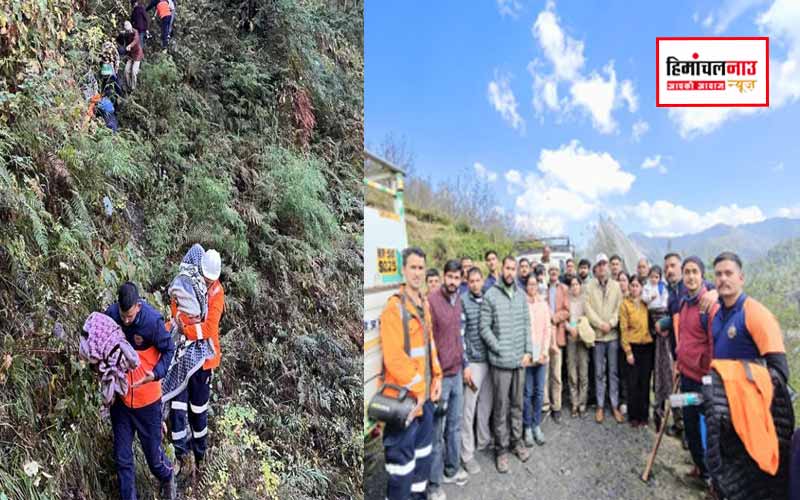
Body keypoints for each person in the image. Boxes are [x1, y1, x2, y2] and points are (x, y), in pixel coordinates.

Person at [709, 251, 791, 496]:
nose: (723, 279)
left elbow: (779, 372)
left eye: (729, 273)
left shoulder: (756, 314)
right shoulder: (717, 314)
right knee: (731, 474)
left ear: (741, 278)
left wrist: (735, 377)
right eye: (719, 274)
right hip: (726, 411)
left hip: (753, 413)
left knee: (753, 480)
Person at [379, 247, 443, 500]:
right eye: (413, 267)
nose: (417, 272)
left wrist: (437, 377)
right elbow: (394, 359)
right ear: (403, 270)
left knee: (423, 458)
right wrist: (418, 391)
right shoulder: (394, 308)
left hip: (425, 401)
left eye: (420, 268)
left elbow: (430, 347)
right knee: (401, 468)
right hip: (404, 403)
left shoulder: (424, 304)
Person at [105, 282, 176, 500]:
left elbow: (169, 349)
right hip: (122, 401)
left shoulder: (152, 322)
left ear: (138, 305)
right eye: (123, 316)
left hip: (148, 402)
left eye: (130, 316)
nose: (126, 320)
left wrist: (155, 374)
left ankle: (168, 476)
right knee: (123, 458)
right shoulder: (111, 315)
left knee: (154, 459)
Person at [168, 249, 224, 478]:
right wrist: (180, 322)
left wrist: (187, 330)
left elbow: (209, 328)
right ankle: (181, 454)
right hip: (183, 356)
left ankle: (200, 457)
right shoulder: (190, 280)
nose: (207, 281)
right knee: (177, 405)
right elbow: (176, 305)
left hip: (203, 361)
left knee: (198, 410)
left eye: (210, 279)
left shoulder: (216, 293)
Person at [655, 253, 718, 438]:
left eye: (673, 266)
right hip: (685, 368)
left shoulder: (706, 299)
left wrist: (715, 293)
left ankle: (703, 462)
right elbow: (679, 328)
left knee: (704, 421)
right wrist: (677, 360)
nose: (669, 270)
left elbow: (721, 290)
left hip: (703, 375)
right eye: (666, 267)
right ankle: (693, 453)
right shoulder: (677, 297)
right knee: (690, 419)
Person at [480, 255, 533, 473]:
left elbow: (526, 325)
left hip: (519, 361)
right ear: (502, 269)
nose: (510, 272)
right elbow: (484, 328)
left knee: (517, 405)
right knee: (500, 408)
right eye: (508, 268)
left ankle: (516, 442)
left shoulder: (521, 295)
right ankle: (501, 450)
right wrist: (500, 348)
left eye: (514, 268)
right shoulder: (491, 295)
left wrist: (529, 350)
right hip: (501, 363)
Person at [675, 256, 717, 484]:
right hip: (686, 376)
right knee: (689, 424)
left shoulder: (708, 306)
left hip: (703, 381)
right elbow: (683, 337)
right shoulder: (684, 304)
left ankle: (710, 476)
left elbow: (713, 344)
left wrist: (710, 377)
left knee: (705, 428)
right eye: (687, 272)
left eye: (694, 272)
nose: (690, 276)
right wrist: (678, 364)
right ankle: (699, 466)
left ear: (702, 276)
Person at [428, 261, 468, 496]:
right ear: (444, 277)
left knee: (454, 426)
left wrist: (465, 364)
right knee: (436, 432)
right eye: (450, 277)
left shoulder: (459, 300)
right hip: (440, 378)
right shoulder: (432, 302)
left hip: (457, 374)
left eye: (457, 278)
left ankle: (451, 470)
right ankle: (433, 485)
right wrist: (434, 376)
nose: (453, 282)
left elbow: (459, 336)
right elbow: (429, 341)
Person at [584, 254, 624, 424]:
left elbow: (618, 308)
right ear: (596, 268)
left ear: (608, 267)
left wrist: (611, 323)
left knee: (613, 373)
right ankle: (600, 405)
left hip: (613, 336)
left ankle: (614, 405)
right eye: (599, 264)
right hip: (598, 337)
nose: (602, 267)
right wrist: (600, 324)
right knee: (599, 373)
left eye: (604, 264)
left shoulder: (616, 286)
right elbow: (587, 308)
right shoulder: (589, 286)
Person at [459, 268, 492, 475]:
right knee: (468, 410)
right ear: (467, 282)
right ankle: (467, 454)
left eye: (478, 280)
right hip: (473, 364)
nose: (475, 284)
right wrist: (465, 365)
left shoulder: (488, 299)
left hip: (489, 360)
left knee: (485, 406)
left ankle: (483, 441)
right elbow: (460, 336)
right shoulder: (463, 301)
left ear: (482, 281)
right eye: (471, 281)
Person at [620, 275, 653, 428]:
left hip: (646, 346)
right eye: (632, 285)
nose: (634, 288)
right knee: (632, 383)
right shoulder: (625, 305)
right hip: (632, 347)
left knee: (644, 383)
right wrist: (628, 352)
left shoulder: (646, 303)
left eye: (637, 285)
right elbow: (623, 329)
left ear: (641, 287)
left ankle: (644, 416)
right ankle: (633, 416)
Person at [523, 275, 551, 447]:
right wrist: (528, 353)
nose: (532, 287)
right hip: (527, 353)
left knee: (540, 391)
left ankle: (536, 425)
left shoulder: (543, 304)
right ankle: (527, 427)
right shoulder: (522, 305)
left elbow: (547, 329)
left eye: (535, 284)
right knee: (527, 393)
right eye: (530, 284)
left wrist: (544, 351)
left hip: (541, 352)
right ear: (526, 286)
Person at [642, 265, 669, 430]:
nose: (654, 279)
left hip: (662, 331)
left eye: (657, 276)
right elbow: (645, 300)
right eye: (652, 276)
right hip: (648, 328)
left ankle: (661, 413)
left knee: (662, 372)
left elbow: (666, 304)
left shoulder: (664, 289)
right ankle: (650, 411)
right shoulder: (646, 288)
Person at [543, 263, 569, 424]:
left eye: (555, 271)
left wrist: (555, 318)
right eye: (550, 271)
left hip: (557, 334)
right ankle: (545, 406)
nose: (553, 273)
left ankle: (557, 407)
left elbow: (567, 310)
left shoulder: (563, 289)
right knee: (544, 373)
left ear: (558, 273)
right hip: (544, 336)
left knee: (556, 374)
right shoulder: (542, 288)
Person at [565, 276, 589, 417]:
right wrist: (569, 328)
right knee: (572, 371)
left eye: (576, 284)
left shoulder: (585, 300)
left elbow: (588, 318)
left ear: (580, 286)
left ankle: (582, 403)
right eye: (572, 284)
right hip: (571, 338)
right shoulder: (567, 301)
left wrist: (580, 328)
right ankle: (574, 403)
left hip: (583, 338)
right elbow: (565, 320)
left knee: (583, 371)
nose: (574, 287)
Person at [123, 21, 143, 91]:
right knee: (126, 71)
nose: (129, 31)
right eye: (127, 30)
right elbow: (124, 42)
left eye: (129, 29)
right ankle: (128, 86)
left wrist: (130, 46)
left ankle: (133, 88)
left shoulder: (135, 32)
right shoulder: (125, 34)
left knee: (134, 71)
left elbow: (136, 40)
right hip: (130, 55)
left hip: (137, 54)